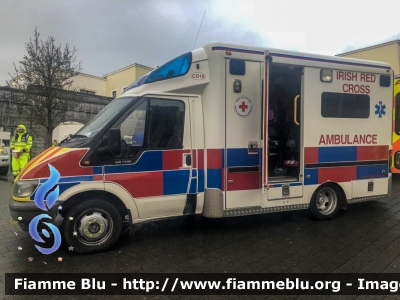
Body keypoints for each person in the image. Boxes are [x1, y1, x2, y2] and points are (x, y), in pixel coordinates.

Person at [270, 76, 291, 174]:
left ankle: (278, 164)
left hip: (277, 122)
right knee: (282, 145)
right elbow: (284, 108)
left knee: (282, 145)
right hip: (281, 122)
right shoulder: (280, 95)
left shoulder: (274, 95)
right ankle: (278, 165)